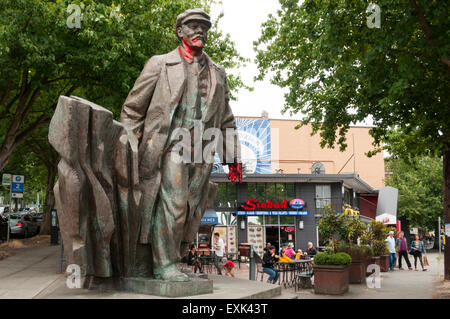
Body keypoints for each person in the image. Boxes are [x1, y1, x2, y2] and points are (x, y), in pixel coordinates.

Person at [120, 8, 242, 281]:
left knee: (190, 209)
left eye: (204, 26)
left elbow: (226, 118)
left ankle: (172, 260)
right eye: (193, 26)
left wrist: (233, 158)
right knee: (173, 204)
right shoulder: (160, 64)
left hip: (202, 150)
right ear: (180, 31)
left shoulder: (218, 73)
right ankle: (164, 266)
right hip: (169, 146)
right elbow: (132, 109)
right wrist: (128, 146)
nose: (200, 31)